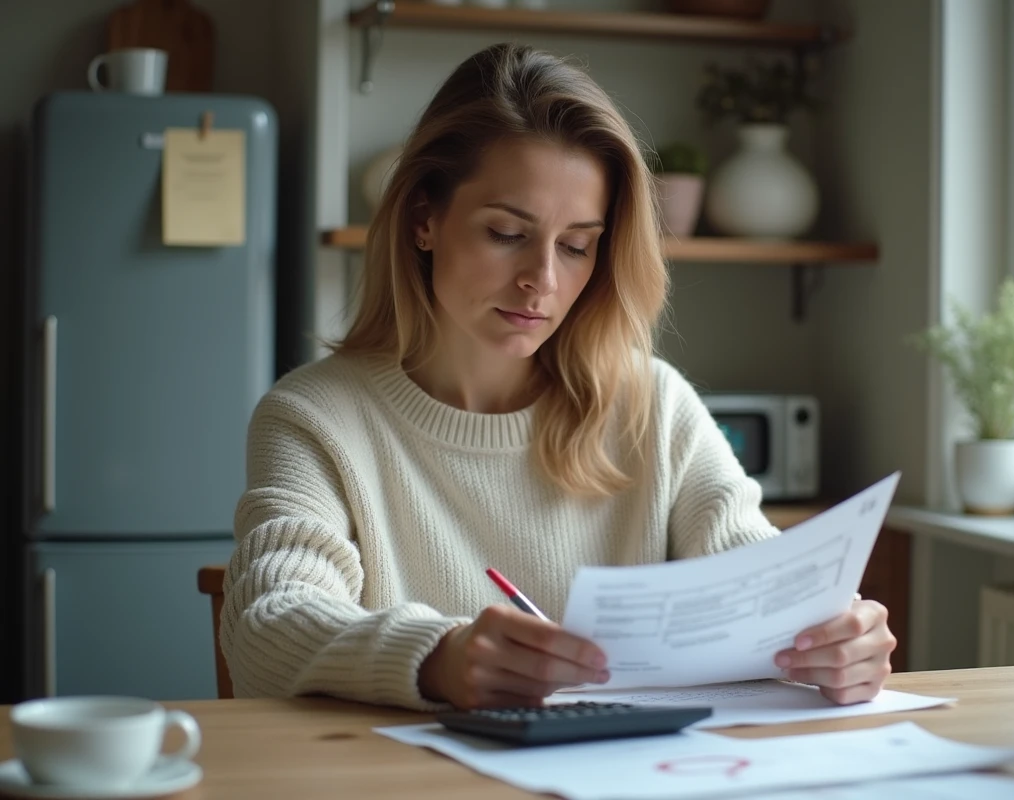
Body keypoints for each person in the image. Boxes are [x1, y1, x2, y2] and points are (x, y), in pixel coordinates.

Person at [221, 42, 896, 712]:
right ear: (425, 218)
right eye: (507, 233)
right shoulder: (314, 417)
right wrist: (438, 657)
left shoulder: (653, 406)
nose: (541, 280)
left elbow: (759, 580)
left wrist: (832, 637)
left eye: (576, 246)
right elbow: (269, 622)